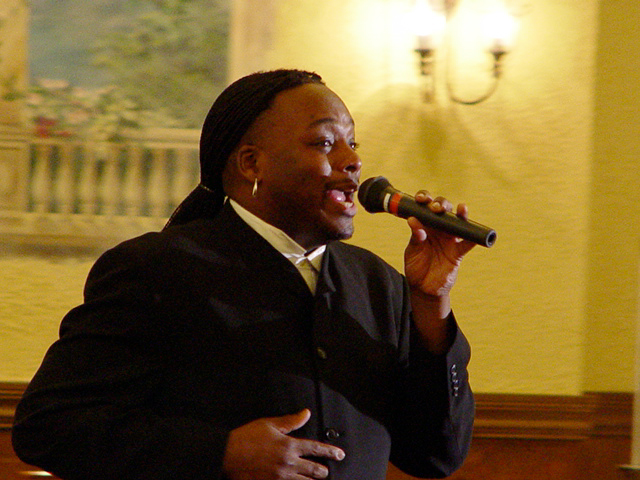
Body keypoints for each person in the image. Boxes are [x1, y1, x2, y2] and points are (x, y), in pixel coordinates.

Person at [12, 69, 476, 480]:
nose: (352, 160)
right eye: (324, 142)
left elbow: (437, 456)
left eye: (352, 143)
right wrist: (221, 453)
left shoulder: (379, 284)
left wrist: (431, 303)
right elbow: (50, 426)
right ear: (252, 163)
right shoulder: (155, 270)